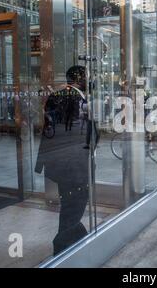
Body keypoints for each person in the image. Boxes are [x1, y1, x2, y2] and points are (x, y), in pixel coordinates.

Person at [35, 65, 97, 256]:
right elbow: (76, 131)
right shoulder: (74, 97)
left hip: (61, 160)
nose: (90, 80)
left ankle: (75, 237)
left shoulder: (58, 94)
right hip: (74, 162)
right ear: (79, 78)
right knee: (75, 202)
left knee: (71, 202)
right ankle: (62, 246)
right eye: (88, 76)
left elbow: (52, 129)